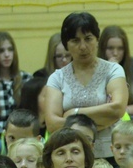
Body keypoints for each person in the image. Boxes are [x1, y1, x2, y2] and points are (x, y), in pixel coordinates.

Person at [44, 13, 127, 160]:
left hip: (110, 155)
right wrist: (97, 125)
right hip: (72, 158)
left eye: (88, 39)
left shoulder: (113, 70)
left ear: (97, 40)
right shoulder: (57, 78)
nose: (83, 47)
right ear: (66, 44)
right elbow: (52, 124)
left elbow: (117, 108)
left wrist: (73, 113)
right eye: (75, 40)